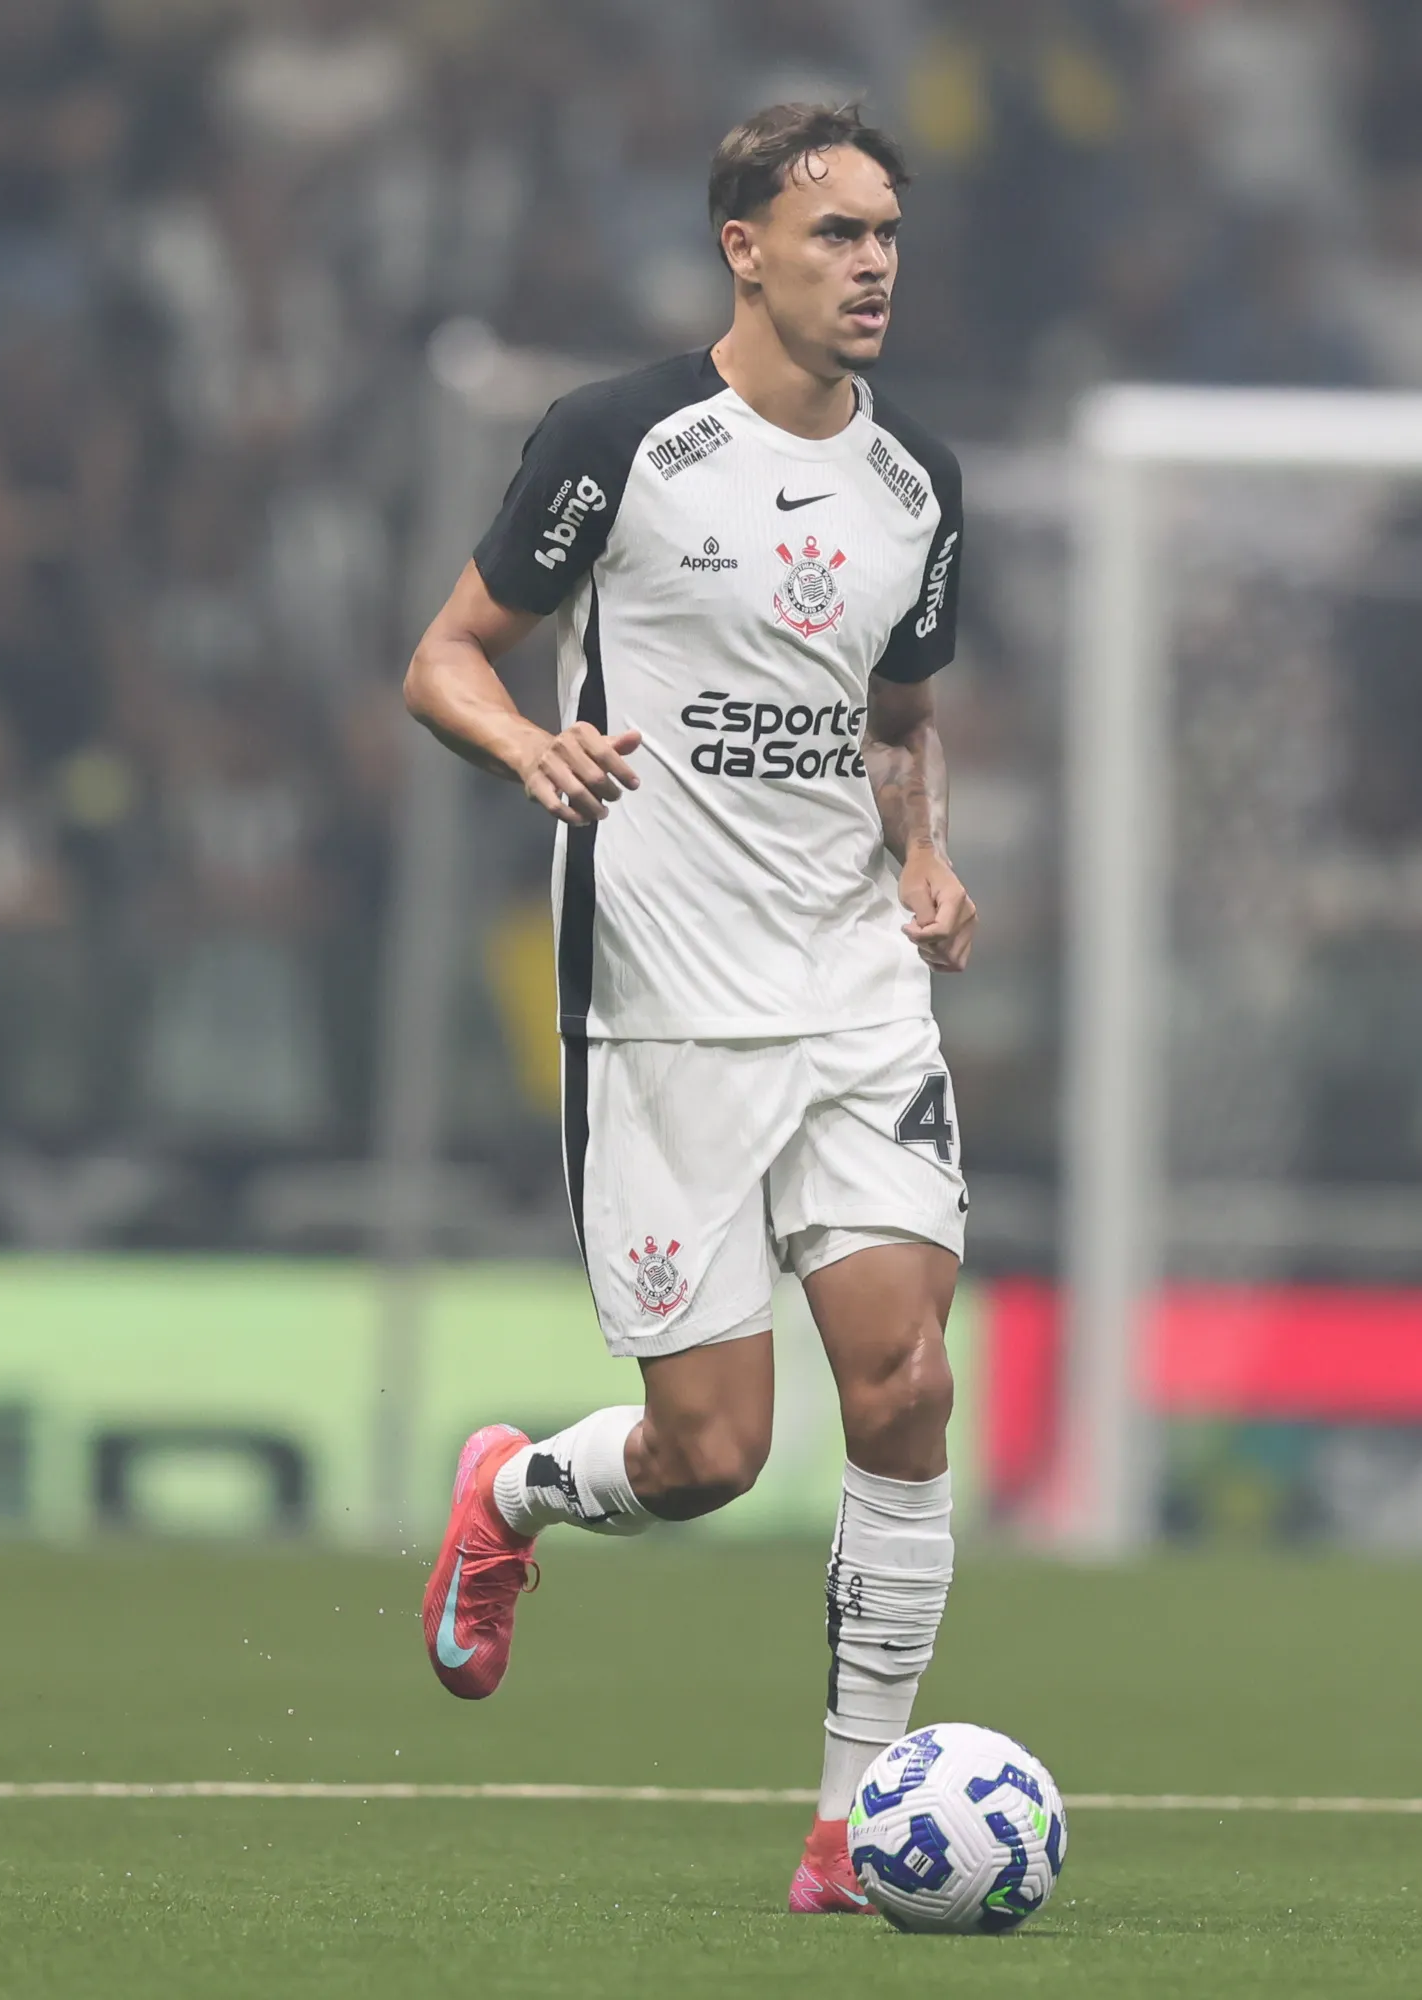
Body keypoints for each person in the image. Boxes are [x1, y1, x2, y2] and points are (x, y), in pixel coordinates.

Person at [400, 102, 975, 1916]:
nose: (872, 262)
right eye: (835, 234)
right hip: (657, 1001)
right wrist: (528, 744)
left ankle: (849, 1830)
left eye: (888, 232)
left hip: (853, 988)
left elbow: (896, 715)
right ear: (745, 247)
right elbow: (443, 658)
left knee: (903, 1386)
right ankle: (512, 1499)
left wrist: (929, 858)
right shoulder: (617, 442)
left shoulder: (919, 486)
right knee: (711, 1455)